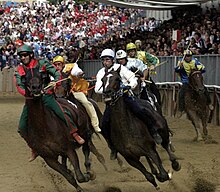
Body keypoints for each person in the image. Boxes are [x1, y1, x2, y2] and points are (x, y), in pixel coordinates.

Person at [14, 44, 85, 162]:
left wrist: (54, 83)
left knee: (62, 112)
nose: (23, 58)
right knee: (21, 127)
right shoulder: (19, 70)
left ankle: (74, 134)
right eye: (21, 56)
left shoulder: (42, 63)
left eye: (25, 55)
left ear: (31, 55)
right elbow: (19, 86)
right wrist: (28, 93)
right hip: (31, 101)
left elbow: (56, 73)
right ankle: (34, 147)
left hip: (46, 96)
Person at [95, 49, 162, 160]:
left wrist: (128, 86)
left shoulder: (121, 68)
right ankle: (113, 146)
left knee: (140, 110)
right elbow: (97, 88)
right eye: (103, 60)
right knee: (104, 124)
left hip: (125, 97)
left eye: (107, 60)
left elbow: (133, 80)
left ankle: (154, 131)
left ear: (112, 60)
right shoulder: (101, 72)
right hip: (111, 101)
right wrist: (110, 90)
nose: (105, 62)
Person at [52, 55, 101, 133]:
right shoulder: (53, 72)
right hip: (59, 95)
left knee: (86, 103)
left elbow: (76, 71)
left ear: (63, 64)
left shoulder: (72, 66)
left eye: (59, 64)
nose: (57, 66)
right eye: (55, 64)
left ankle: (95, 124)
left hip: (76, 92)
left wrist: (79, 73)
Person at [175, 50, 214, 118]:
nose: (188, 58)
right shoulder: (181, 62)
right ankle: (180, 110)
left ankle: (209, 103)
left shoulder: (195, 60)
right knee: (181, 93)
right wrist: (179, 67)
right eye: (187, 56)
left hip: (195, 81)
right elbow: (176, 70)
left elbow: (203, 68)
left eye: (190, 56)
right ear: (184, 57)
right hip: (186, 81)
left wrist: (200, 68)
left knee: (204, 88)